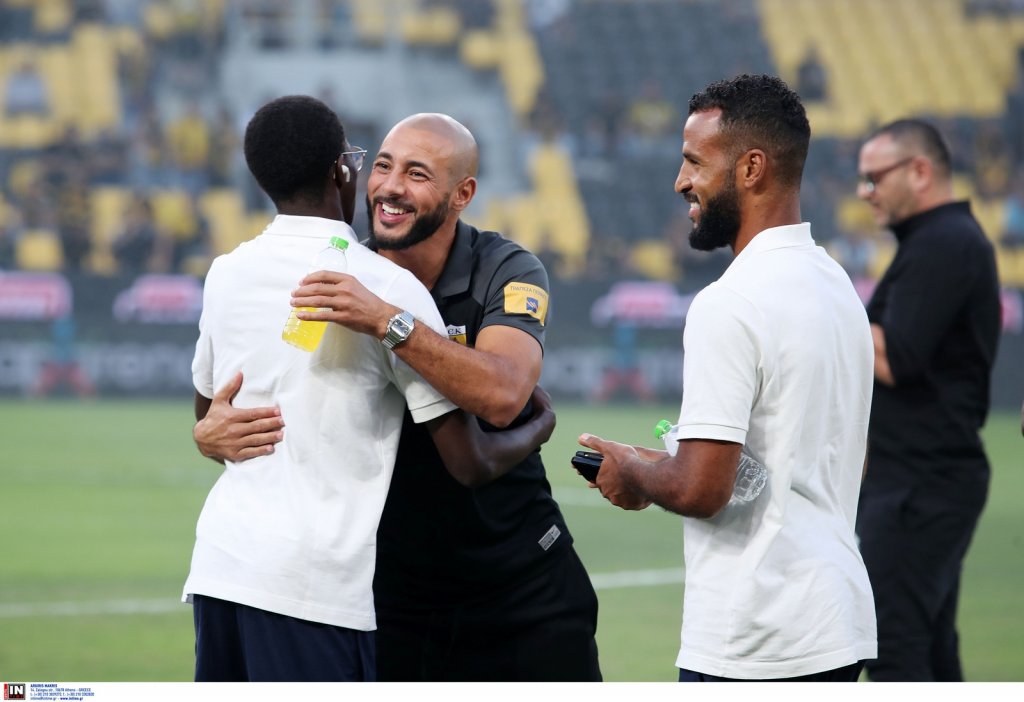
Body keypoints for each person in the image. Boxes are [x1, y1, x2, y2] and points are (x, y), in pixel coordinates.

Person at [194, 113, 602, 682]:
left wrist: (390, 321)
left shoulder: (502, 268)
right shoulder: (344, 274)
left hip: (520, 581)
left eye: (417, 174)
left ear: (463, 194)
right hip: (393, 597)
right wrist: (210, 435)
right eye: (383, 165)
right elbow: (261, 404)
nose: (389, 186)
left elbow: (505, 393)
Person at [578, 74, 877, 682]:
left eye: (694, 161)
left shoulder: (729, 302)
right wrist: (669, 462)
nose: (680, 181)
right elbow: (809, 460)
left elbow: (701, 490)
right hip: (835, 621)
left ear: (751, 168)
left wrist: (633, 472)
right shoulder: (836, 284)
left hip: (758, 637)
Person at [854, 118, 1001, 682]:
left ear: (919, 171)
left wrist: (828, 306)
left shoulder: (945, 243)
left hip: (921, 485)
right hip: (920, 480)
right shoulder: (937, 241)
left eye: (875, 178)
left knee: (892, 645)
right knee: (930, 648)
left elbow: (899, 358)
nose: (865, 192)